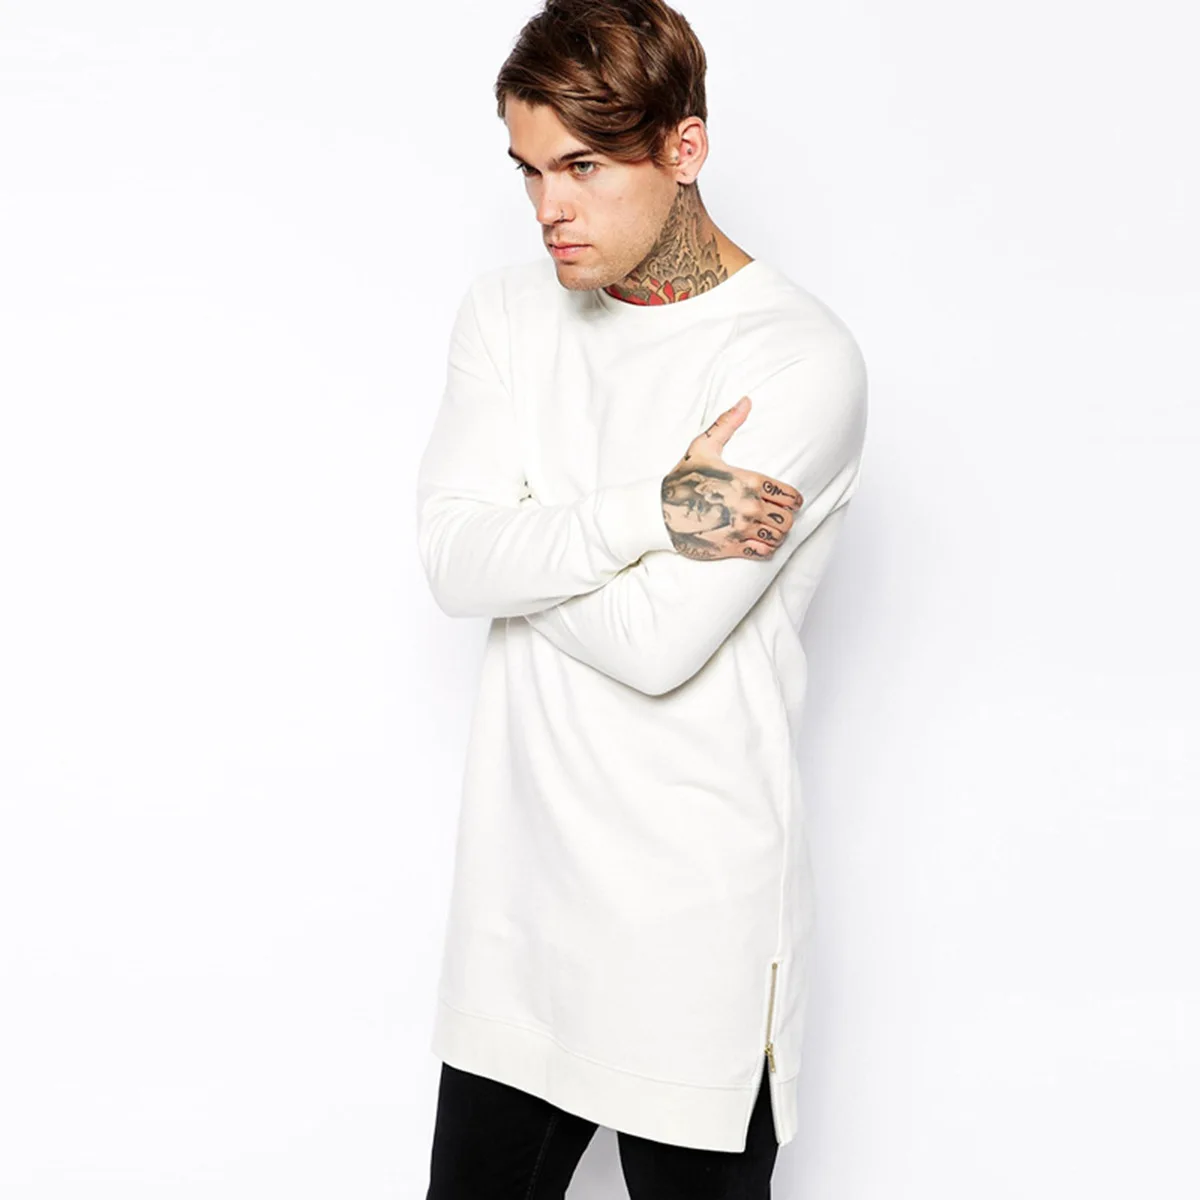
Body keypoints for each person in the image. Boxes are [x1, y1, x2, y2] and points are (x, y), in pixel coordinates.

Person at [415, 1, 869, 1195]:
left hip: (691, 937)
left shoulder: (795, 360)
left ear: (684, 148)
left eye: (583, 167)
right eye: (528, 170)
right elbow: (451, 562)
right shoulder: (507, 315)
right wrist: (650, 511)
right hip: (517, 922)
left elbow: (655, 639)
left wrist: (518, 543)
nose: (548, 208)